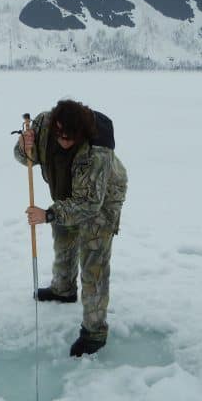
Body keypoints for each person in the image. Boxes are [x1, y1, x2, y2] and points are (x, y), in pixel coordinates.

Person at [14, 100, 128, 357]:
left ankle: (95, 332)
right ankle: (63, 289)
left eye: (70, 139)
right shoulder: (43, 126)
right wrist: (24, 146)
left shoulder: (96, 152)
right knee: (63, 236)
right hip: (68, 193)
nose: (64, 142)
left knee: (93, 262)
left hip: (102, 199)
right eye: (60, 136)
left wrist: (50, 213)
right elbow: (26, 158)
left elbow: (89, 203)